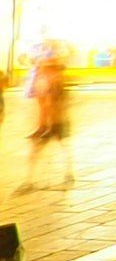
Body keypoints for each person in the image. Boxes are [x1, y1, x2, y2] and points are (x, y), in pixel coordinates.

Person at [25, 42, 72, 189]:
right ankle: (31, 179)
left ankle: (31, 180)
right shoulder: (46, 81)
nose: (42, 69)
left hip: (54, 123)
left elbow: (51, 105)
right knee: (55, 147)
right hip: (49, 123)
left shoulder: (54, 83)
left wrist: (47, 124)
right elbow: (43, 105)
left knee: (59, 146)